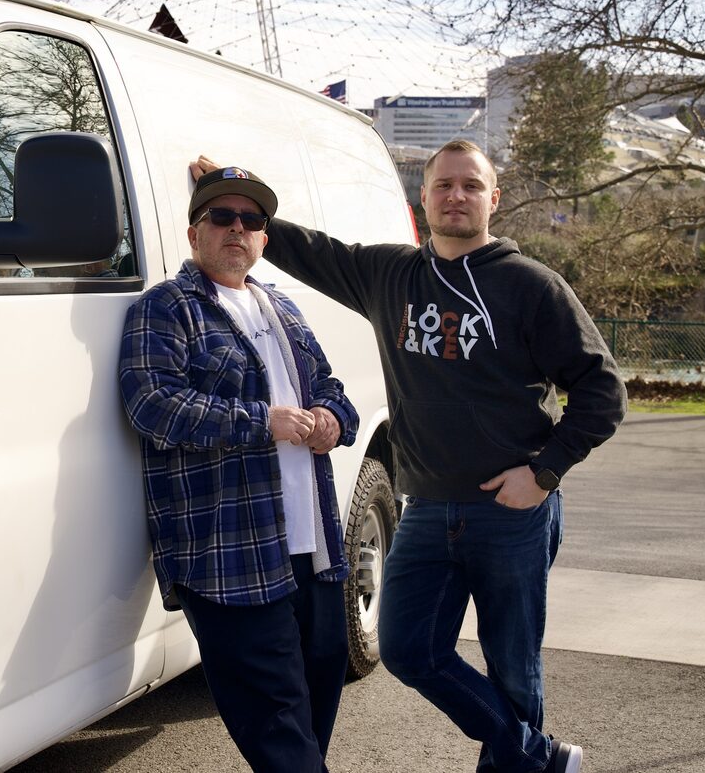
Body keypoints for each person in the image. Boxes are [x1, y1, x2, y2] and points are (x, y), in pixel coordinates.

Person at [191, 142, 626, 773]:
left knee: (513, 667)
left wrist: (544, 472)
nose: (456, 196)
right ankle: (537, 757)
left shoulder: (531, 287)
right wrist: (237, 205)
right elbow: (312, 252)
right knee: (406, 651)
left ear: (492, 199)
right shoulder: (389, 274)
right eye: (443, 185)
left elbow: (603, 391)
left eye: (470, 186)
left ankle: (518, 762)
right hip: (424, 507)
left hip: (511, 511)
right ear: (422, 199)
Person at [119, 165, 359, 773]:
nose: (237, 228)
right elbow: (153, 404)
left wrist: (332, 418)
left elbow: (329, 387)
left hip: (314, 547)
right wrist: (262, 421)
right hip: (231, 556)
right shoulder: (167, 309)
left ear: (264, 239)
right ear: (194, 232)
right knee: (276, 719)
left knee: (318, 690)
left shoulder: (281, 305)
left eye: (251, 220)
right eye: (222, 217)